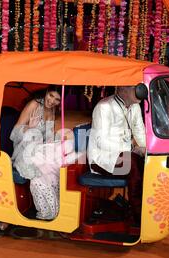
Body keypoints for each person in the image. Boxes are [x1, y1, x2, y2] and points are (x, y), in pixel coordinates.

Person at [10, 86, 72, 221]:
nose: (52, 101)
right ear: (46, 92)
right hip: (24, 149)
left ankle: (52, 210)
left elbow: (47, 138)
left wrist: (56, 139)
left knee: (58, 159)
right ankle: (48, 210)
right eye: (50, 96)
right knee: (43, 169)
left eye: (57, 99)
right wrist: (29, 128)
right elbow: (14, 134)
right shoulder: (34, 105)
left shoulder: (52, 111)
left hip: (39, 149)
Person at [87, 86, 146, 226]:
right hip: (102, 159)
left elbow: (139, 131)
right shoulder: (104, 107)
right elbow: (101, 142)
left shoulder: (135, 106)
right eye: (134, 87)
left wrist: (146, 150)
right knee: (132, 164)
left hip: (124, 154)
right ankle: (139, 216)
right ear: (122, 89)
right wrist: (131, 149)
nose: (139, 89)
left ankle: (149, 207)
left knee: (147, 162)